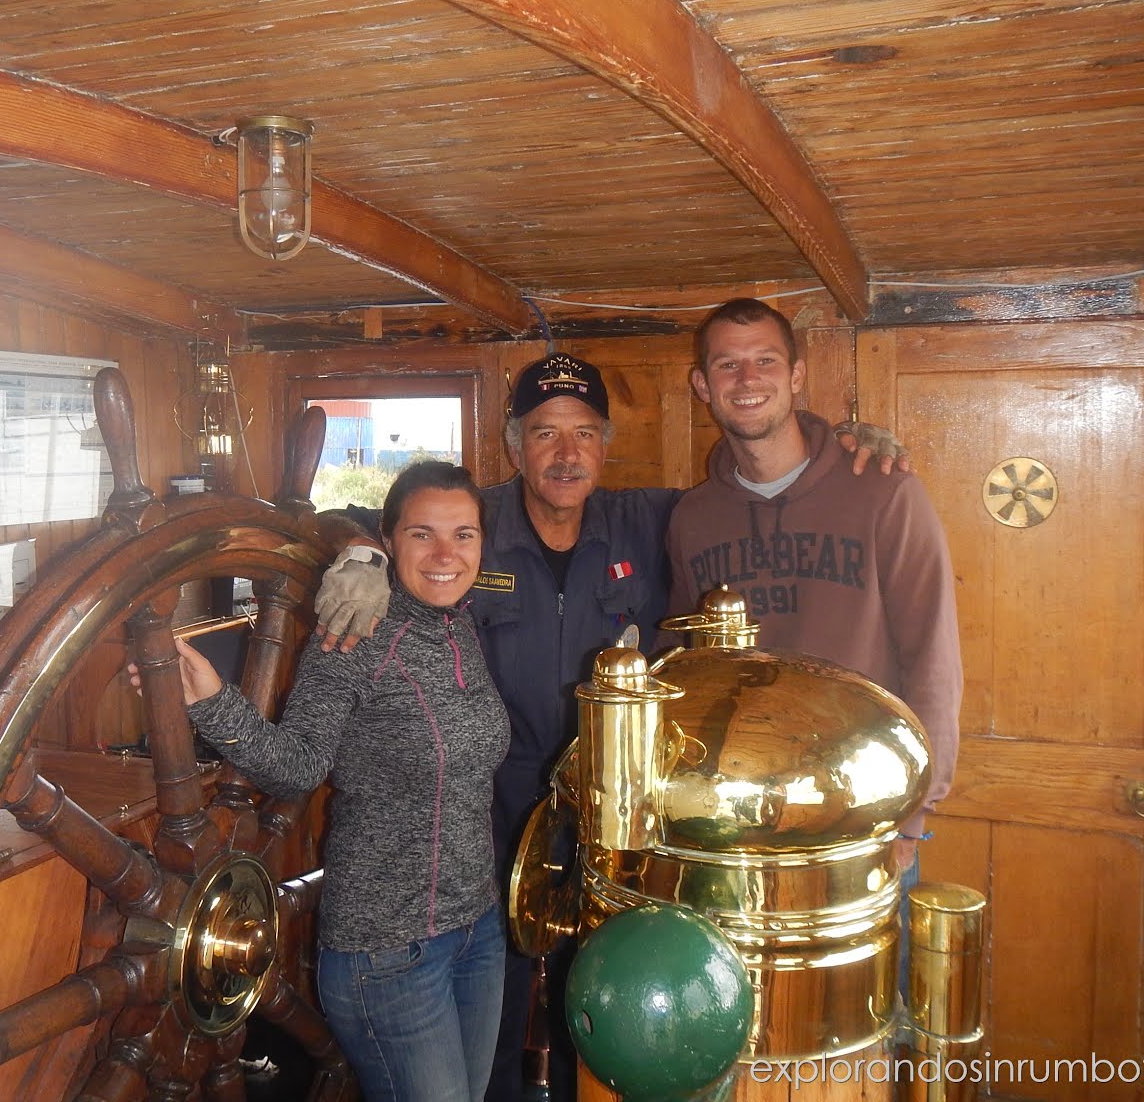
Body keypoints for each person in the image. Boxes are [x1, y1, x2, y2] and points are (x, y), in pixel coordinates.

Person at [313, 350, 909, 1102]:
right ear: (513, 443)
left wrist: (841, 446)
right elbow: (365, 520)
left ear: (606, 444)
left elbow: (755, 484)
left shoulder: (650, 519)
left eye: (585, 433)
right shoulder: (473, 522)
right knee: (492, 1003)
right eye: (545, 433)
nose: (567, 454)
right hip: (483, 811)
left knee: (599, 991)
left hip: (613, 808)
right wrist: (361, 552)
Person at [135, 460, 510, 1102]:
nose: (445, 554)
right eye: (422, 534)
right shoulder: (358, 629)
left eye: (464, 535)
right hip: (388, 953)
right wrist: (210, 701)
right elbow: (299, 765)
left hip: (477, 930)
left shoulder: (459, 625)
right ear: (390, 540)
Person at [665, 296, 962, 878]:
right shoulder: (692, 518)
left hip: (863, 815)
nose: (747, 379)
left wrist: (913, 814)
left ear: (797, 375)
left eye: (766, 361)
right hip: (738, 821)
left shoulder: (884, 492)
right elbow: (688, 669)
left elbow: (932, 656)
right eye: (727, 364)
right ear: (702, 385)